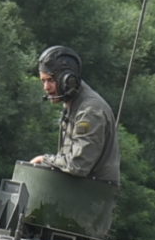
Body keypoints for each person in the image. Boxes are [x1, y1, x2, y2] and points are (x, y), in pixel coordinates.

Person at [28, 45, 120, 184]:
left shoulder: (90, 110)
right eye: (43, 81)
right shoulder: (73, 104)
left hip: (92, 197)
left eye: (50, 80)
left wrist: (45, 160)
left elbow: (78, 165)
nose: (46, 88)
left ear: (68, 81)